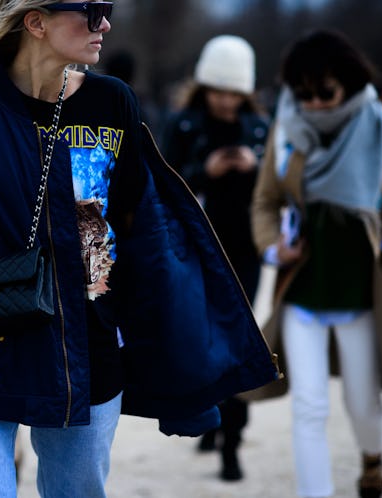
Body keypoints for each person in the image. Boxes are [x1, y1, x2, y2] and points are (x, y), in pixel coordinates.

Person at [0, 1, 279, 497]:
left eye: (108, 9)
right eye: (91, 10)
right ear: (35, 21)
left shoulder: (112, 104)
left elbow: (148, 239)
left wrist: (186, 373)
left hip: (86, 351)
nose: (104, 23)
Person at [249, 28, 382, 498]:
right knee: (309, 407)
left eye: (325, 92)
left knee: (362, 401)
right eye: (303, 93)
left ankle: (372, 457)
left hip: (362, 287)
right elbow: (265, 202)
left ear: (350, 81)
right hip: (302, 287)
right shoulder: (286, 128)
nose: (314, 103)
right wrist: (275, 247)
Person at [160, 34, 269, 481]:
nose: (226, 100)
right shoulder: (183, 123)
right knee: (203, 338)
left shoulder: (261, 128)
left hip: (245, 250)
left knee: (239, 340)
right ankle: (211, 415)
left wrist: (254, 165)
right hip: (198, 251)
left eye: (234, 91)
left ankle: (233, 443)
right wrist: (206, 171)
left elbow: (274, 191)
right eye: (218, 90)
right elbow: (161, 181)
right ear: (204, 87)